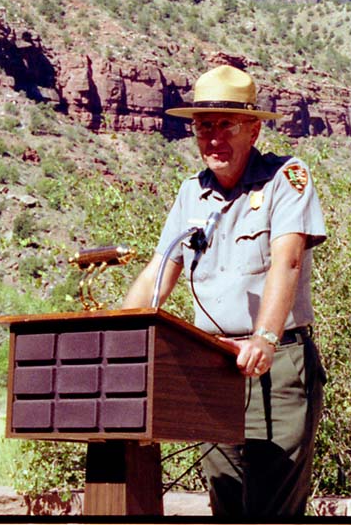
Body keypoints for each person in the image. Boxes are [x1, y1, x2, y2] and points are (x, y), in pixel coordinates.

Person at [122, 64, 326, 518]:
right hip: (212, 368)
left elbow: (288, 261)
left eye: (225, 125)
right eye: (203, 126)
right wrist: (118, 342)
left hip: (277, 365)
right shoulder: (190, 194)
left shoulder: (286, 178)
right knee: (226, 502)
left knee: (272, 508)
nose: (213, 138)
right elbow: (159, 272)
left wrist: (265, 338)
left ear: (253, 130)